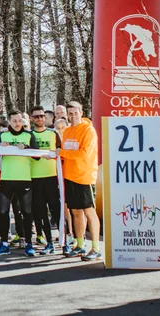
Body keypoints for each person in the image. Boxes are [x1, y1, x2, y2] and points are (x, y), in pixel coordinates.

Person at [0, 111, 40, 257]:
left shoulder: (29, 135)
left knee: (26, 212)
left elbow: (37, 156)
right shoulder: (3, 135)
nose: (17, 123)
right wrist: (0, 147)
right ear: (9, 122)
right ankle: (4, 243)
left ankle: (29, 244)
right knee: (2, 212)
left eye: (19, 121)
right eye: (14, 121)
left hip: (24, 179)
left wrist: (26, 149)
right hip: (6, 180)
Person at [60, 101, 101, 261]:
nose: (72, 115)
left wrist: (62, 152)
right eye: (70, 113)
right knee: (76, 212)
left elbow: (83, 153)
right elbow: (66, 152)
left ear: (81, 112)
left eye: (75, 112)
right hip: (69, 176)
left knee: (89, 212)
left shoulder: (88, 130)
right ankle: (80, 245)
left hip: (85, 177)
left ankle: (96, 248)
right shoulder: (68, 131)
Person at [30, 106, 62, 255]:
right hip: (35, 178)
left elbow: (61, 150)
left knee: (56, 210)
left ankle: (64, 240)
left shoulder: (53, 133)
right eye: (36, 117)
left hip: (51, 177)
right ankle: (49, 242)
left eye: (42, 116)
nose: (39, 119)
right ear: (31, 119)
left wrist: (58, 152)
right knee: (41, 212)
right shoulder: (28, 135)